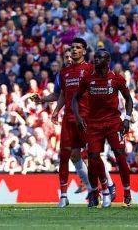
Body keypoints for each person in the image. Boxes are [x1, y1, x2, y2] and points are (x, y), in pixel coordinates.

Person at [34, 39, 105, 208]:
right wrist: (48, 104)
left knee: (94, 155)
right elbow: (60, 95)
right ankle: (77, 194)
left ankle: (105, 189)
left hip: (87, 118)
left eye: (75, 50)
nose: (70, 54)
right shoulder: (64, 73)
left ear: (83, 51)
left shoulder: (89, 69)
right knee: (70, 155)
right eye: (68, 52)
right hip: (69, 119)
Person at [72, 49, 133, 208]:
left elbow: (128, 99)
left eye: (100, 58)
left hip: (113, 122)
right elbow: (75, 99)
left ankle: (127, 191)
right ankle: (99, 191)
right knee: (92, 158)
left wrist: (127, 119)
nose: (96, 60)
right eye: (95, 57)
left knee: (120, 156)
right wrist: (78, 118)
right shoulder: (87, 79)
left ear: (108, 61)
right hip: (93, 124)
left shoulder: (116, 78)